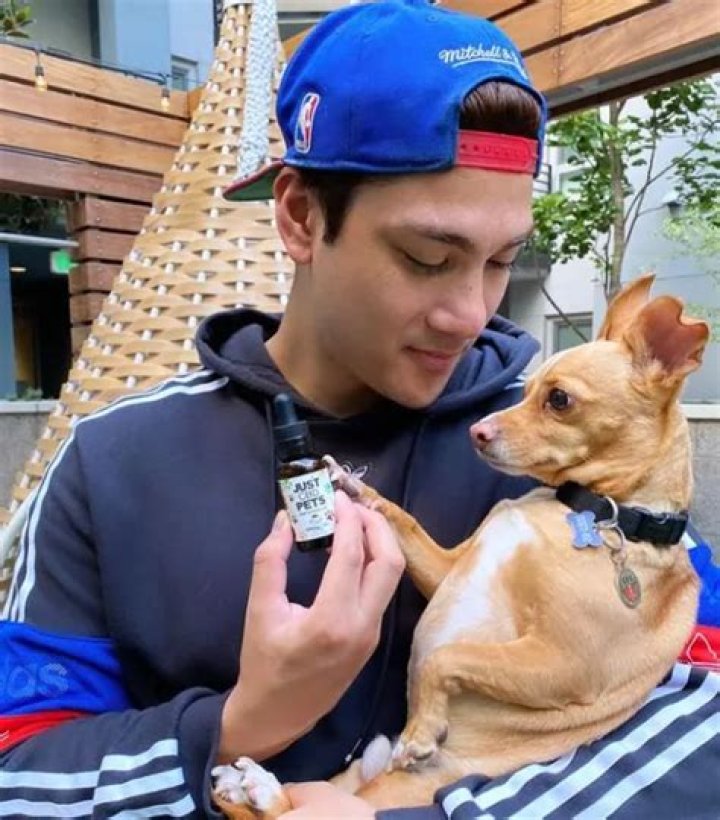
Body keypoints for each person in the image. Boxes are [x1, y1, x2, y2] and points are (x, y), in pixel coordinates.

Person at [3, 1, 717, 818]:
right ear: (301, 217)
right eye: (428, 257)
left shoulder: (575, 441)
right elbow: (20, 770)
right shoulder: (113, 461)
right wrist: (239, 723)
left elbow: (704, 714)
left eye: (501, 261)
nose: (471, 313)